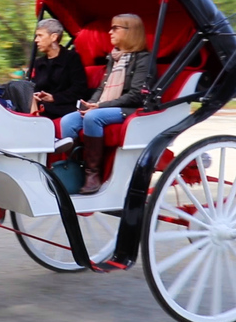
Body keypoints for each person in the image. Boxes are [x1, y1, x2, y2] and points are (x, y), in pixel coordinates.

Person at [59, 14, 151, 194]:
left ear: (130, 32)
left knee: (93, 118)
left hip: (130, 108)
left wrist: (100, 107)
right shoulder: (114, 58)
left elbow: (135, 96)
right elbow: (103, 87)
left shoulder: (143, 59)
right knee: (68, 121)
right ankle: (75, 166)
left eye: (115, 28)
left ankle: (92, 173)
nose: (110, 32)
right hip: (106, 105)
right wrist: (91, 103)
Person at [30, 19, 88, 119]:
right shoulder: (39, 62)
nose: (36, 40)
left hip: (64, 107)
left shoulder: (71, 58)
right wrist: (36, 96)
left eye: (40, 35)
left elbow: (79, 89)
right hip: (41, 106)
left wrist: (54, 98)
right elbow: (36, 87)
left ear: (54, 37)